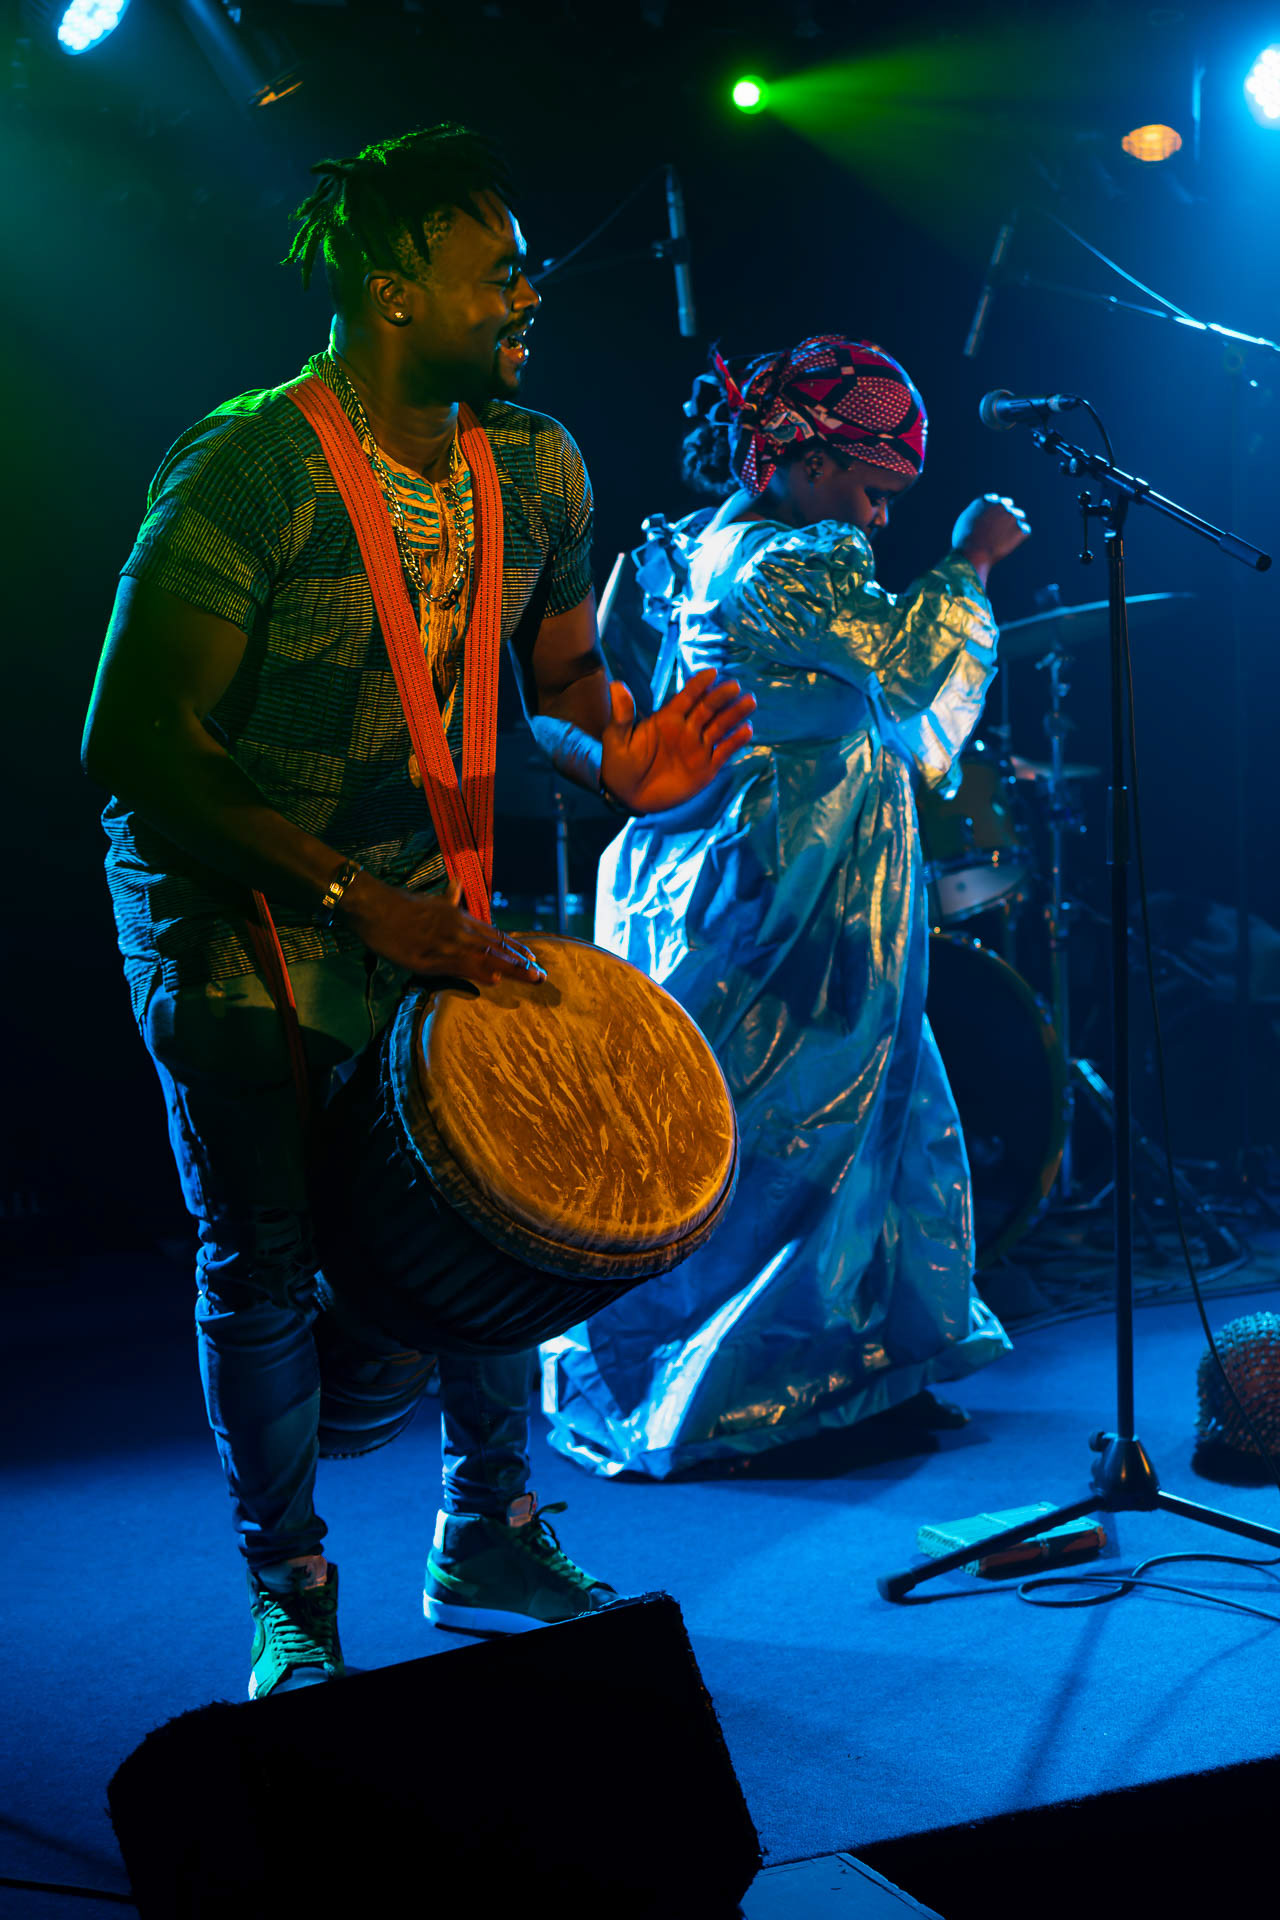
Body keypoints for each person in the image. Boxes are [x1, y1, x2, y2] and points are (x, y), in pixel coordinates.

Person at [81, 125, 753, 1697]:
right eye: (495, 270)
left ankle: (489, 1536)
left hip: (428, 894)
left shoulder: (537, 462)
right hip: (235, 904)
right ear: (394, 291)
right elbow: (134, 739)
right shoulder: (252, 465)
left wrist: (618, 758)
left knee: (495, 1197)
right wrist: (349, 898)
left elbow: (563, 680)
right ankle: (293, 1593)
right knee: (263, 1252)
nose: (530, 293)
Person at [542, 334, 1030, 1479]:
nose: (876, 519)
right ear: (806, 463)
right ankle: (729, 1393)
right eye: (869, 490)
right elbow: (908, 672)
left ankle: (849, 1376)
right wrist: (969, 561)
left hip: (799, 866)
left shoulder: (710, 545)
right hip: (782, 880)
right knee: (784, 1128)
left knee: (860, 1114)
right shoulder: (782, 564)